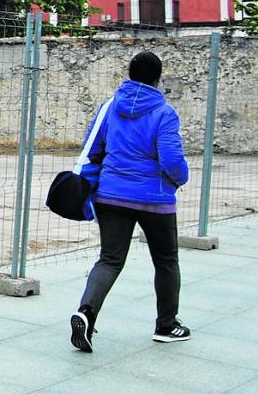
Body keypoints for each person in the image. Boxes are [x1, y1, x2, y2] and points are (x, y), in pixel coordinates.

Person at [71, 51, 190, 352]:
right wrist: (180, 179)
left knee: (110, 259)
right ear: (157, 78)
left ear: (129, 73)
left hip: (111, 196)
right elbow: (173, 160)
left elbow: (92, 148)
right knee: (165, 261)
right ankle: (166, 325)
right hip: (155, 200)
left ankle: (86, 313)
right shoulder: (164, 112)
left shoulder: (109, 107)